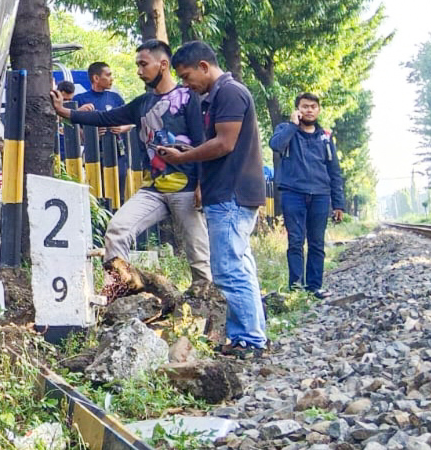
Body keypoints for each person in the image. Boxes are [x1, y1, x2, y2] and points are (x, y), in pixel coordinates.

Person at [51, 40, 211, 284]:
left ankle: (208, 306)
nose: (139, 71)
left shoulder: (189, 98)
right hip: (153, 190)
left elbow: (201, 142)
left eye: (143, 64)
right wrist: (65, 112)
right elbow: (104, 117)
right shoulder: (142, 104)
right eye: (137, 65)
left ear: (163, 65)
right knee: (117, 230)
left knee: (198, 256)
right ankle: (120, 292)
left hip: (186, 188)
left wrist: (202, 183)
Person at [155, 41, 268, 358]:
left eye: (187, 75)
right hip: (228, 191)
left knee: (229, 269)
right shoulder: (215, 96)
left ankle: (248, 338)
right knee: (240, 267)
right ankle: (250, 335)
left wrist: (184, 157)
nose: (186, 83)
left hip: (232, 193)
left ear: (204, 66)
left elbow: (224, 143)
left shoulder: (229, 93)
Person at [268, 92, 346, 298]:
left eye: (313, 106)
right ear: (297, 109)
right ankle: (296, 288)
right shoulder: (286, 130)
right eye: (304, 106)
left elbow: (334, 172)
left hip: (321, 195)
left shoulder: (326, 137)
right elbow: (276, 145)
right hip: (293, 193)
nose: (309, 110)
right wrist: (293, 125)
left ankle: (315, 287)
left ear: (318, 110)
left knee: (316, 242)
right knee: (295, 241)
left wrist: (339, 204)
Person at [74, 62, 134, 137]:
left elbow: (130, 121)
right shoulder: (79, 99)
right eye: (108, 75)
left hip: (115, 147)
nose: (112, 79)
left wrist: (121, 128)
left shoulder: (115, 98)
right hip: (92, 148)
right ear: (96, 78)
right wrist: (90, 135)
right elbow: (70, 127)